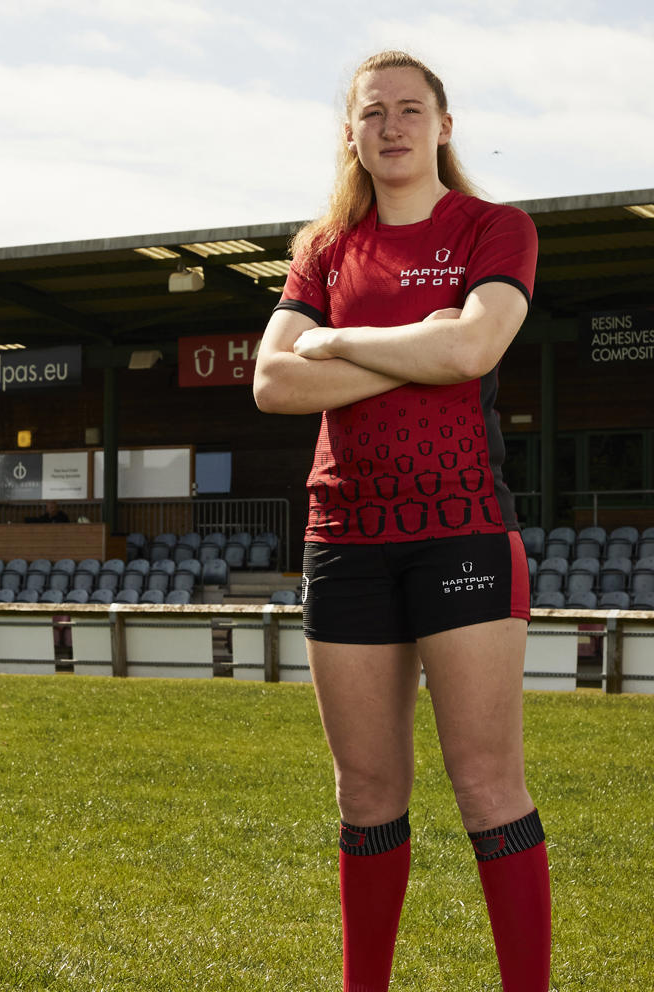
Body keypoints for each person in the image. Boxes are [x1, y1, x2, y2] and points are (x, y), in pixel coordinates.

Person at [253, 51, 549, 991]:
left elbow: (475, 345)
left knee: (486, 783)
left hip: (460, 527)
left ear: (444, 126)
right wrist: (419, 349)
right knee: (368, 792)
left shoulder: (493, 228)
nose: (392, 126)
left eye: (411, 110)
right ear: (351, 133)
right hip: (342, 538)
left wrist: (338, 341)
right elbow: (271, 381)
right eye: (372, 112)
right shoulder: (326, 248)